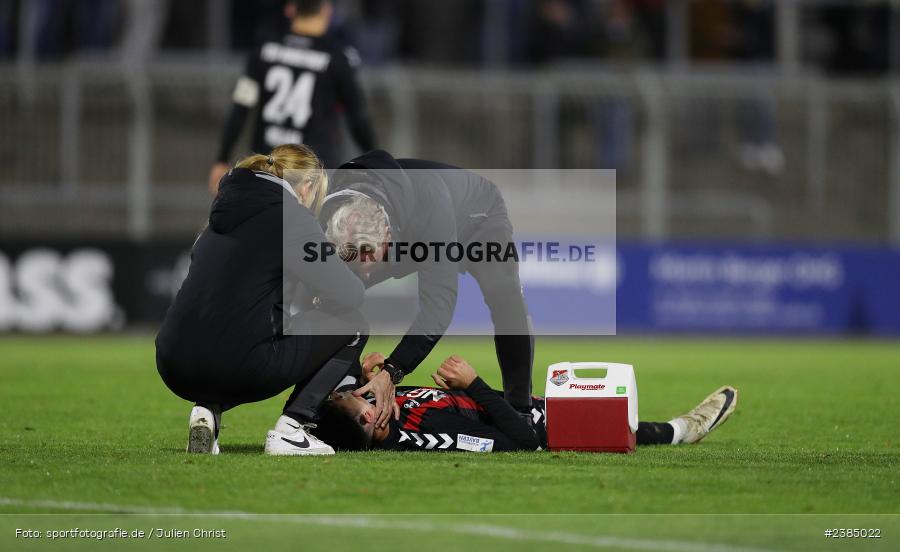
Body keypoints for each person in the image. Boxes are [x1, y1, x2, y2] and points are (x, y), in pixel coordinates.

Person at [157, 144, 393, 457]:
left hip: (172, 360)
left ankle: (208, 412)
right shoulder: (292, 216)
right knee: (354, 325)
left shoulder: (222, 212)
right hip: (235, 365)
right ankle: (292, 429)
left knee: (236, 332)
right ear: (306, 188)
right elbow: (350, 293)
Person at [321, 149, 535, 416]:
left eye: (369, 263)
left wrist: (393, 370)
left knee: (505, 298)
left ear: (387, 237)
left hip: (477, 219)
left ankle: (521, 408)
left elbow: (439, 306)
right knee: (339, 295)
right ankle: (345, 388)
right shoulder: (331, 212)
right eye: (356, 264)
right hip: (405, 222)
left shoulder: (429, 206)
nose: (366, 275)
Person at [311, 354, 739, 453]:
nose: (358, 390)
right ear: (371, 417)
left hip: (529, 402)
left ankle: (679, 429)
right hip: (546, 424)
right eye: (355, 396)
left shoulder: (390, 406)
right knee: (635, 428)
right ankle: (684, 429)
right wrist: (475, 384)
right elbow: (519, 442)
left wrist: (376, 375)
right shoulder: (428, 438)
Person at [209, 0, 376, 194]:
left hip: (269, 163)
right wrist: (375, 162)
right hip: (312, 171)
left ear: (290, 9)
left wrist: (222, 158)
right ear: (326, 10)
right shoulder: (337, 58)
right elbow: (358, 117)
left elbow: (241, 107)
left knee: (267, 224)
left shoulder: (264, 51)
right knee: (307, 227)